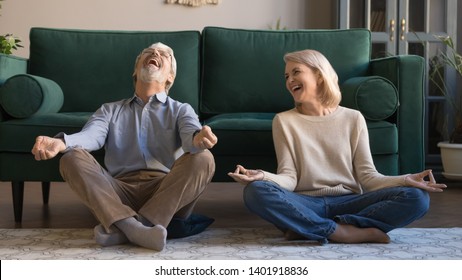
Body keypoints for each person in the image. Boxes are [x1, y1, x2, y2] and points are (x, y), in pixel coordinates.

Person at [228, 49, 446, 245]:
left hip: (349, 201)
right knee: (255, 191)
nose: (289, 80)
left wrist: (405, 179)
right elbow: (289, 178)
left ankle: (307, 227)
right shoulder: (284, 121)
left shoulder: (353, 118)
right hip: (305, 202)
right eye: (286, 76)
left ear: (319, 76)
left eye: (296, 72)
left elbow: (368, 177)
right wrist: (262, 176)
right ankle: (342, 232)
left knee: (417, 197)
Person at [31, 42, 217, 251]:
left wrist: (198, 138)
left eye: (164, 54)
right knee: (70, 158)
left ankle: (126, 227)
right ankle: (137, 229)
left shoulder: (181, 110)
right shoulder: (109, 110)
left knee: (204, 158)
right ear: (135, 71)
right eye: (148, 52)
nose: (155, 53)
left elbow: (190, 135)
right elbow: (91, 136)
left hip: (166, 193)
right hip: (117, 192)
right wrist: (62, 142)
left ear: (170, 77)